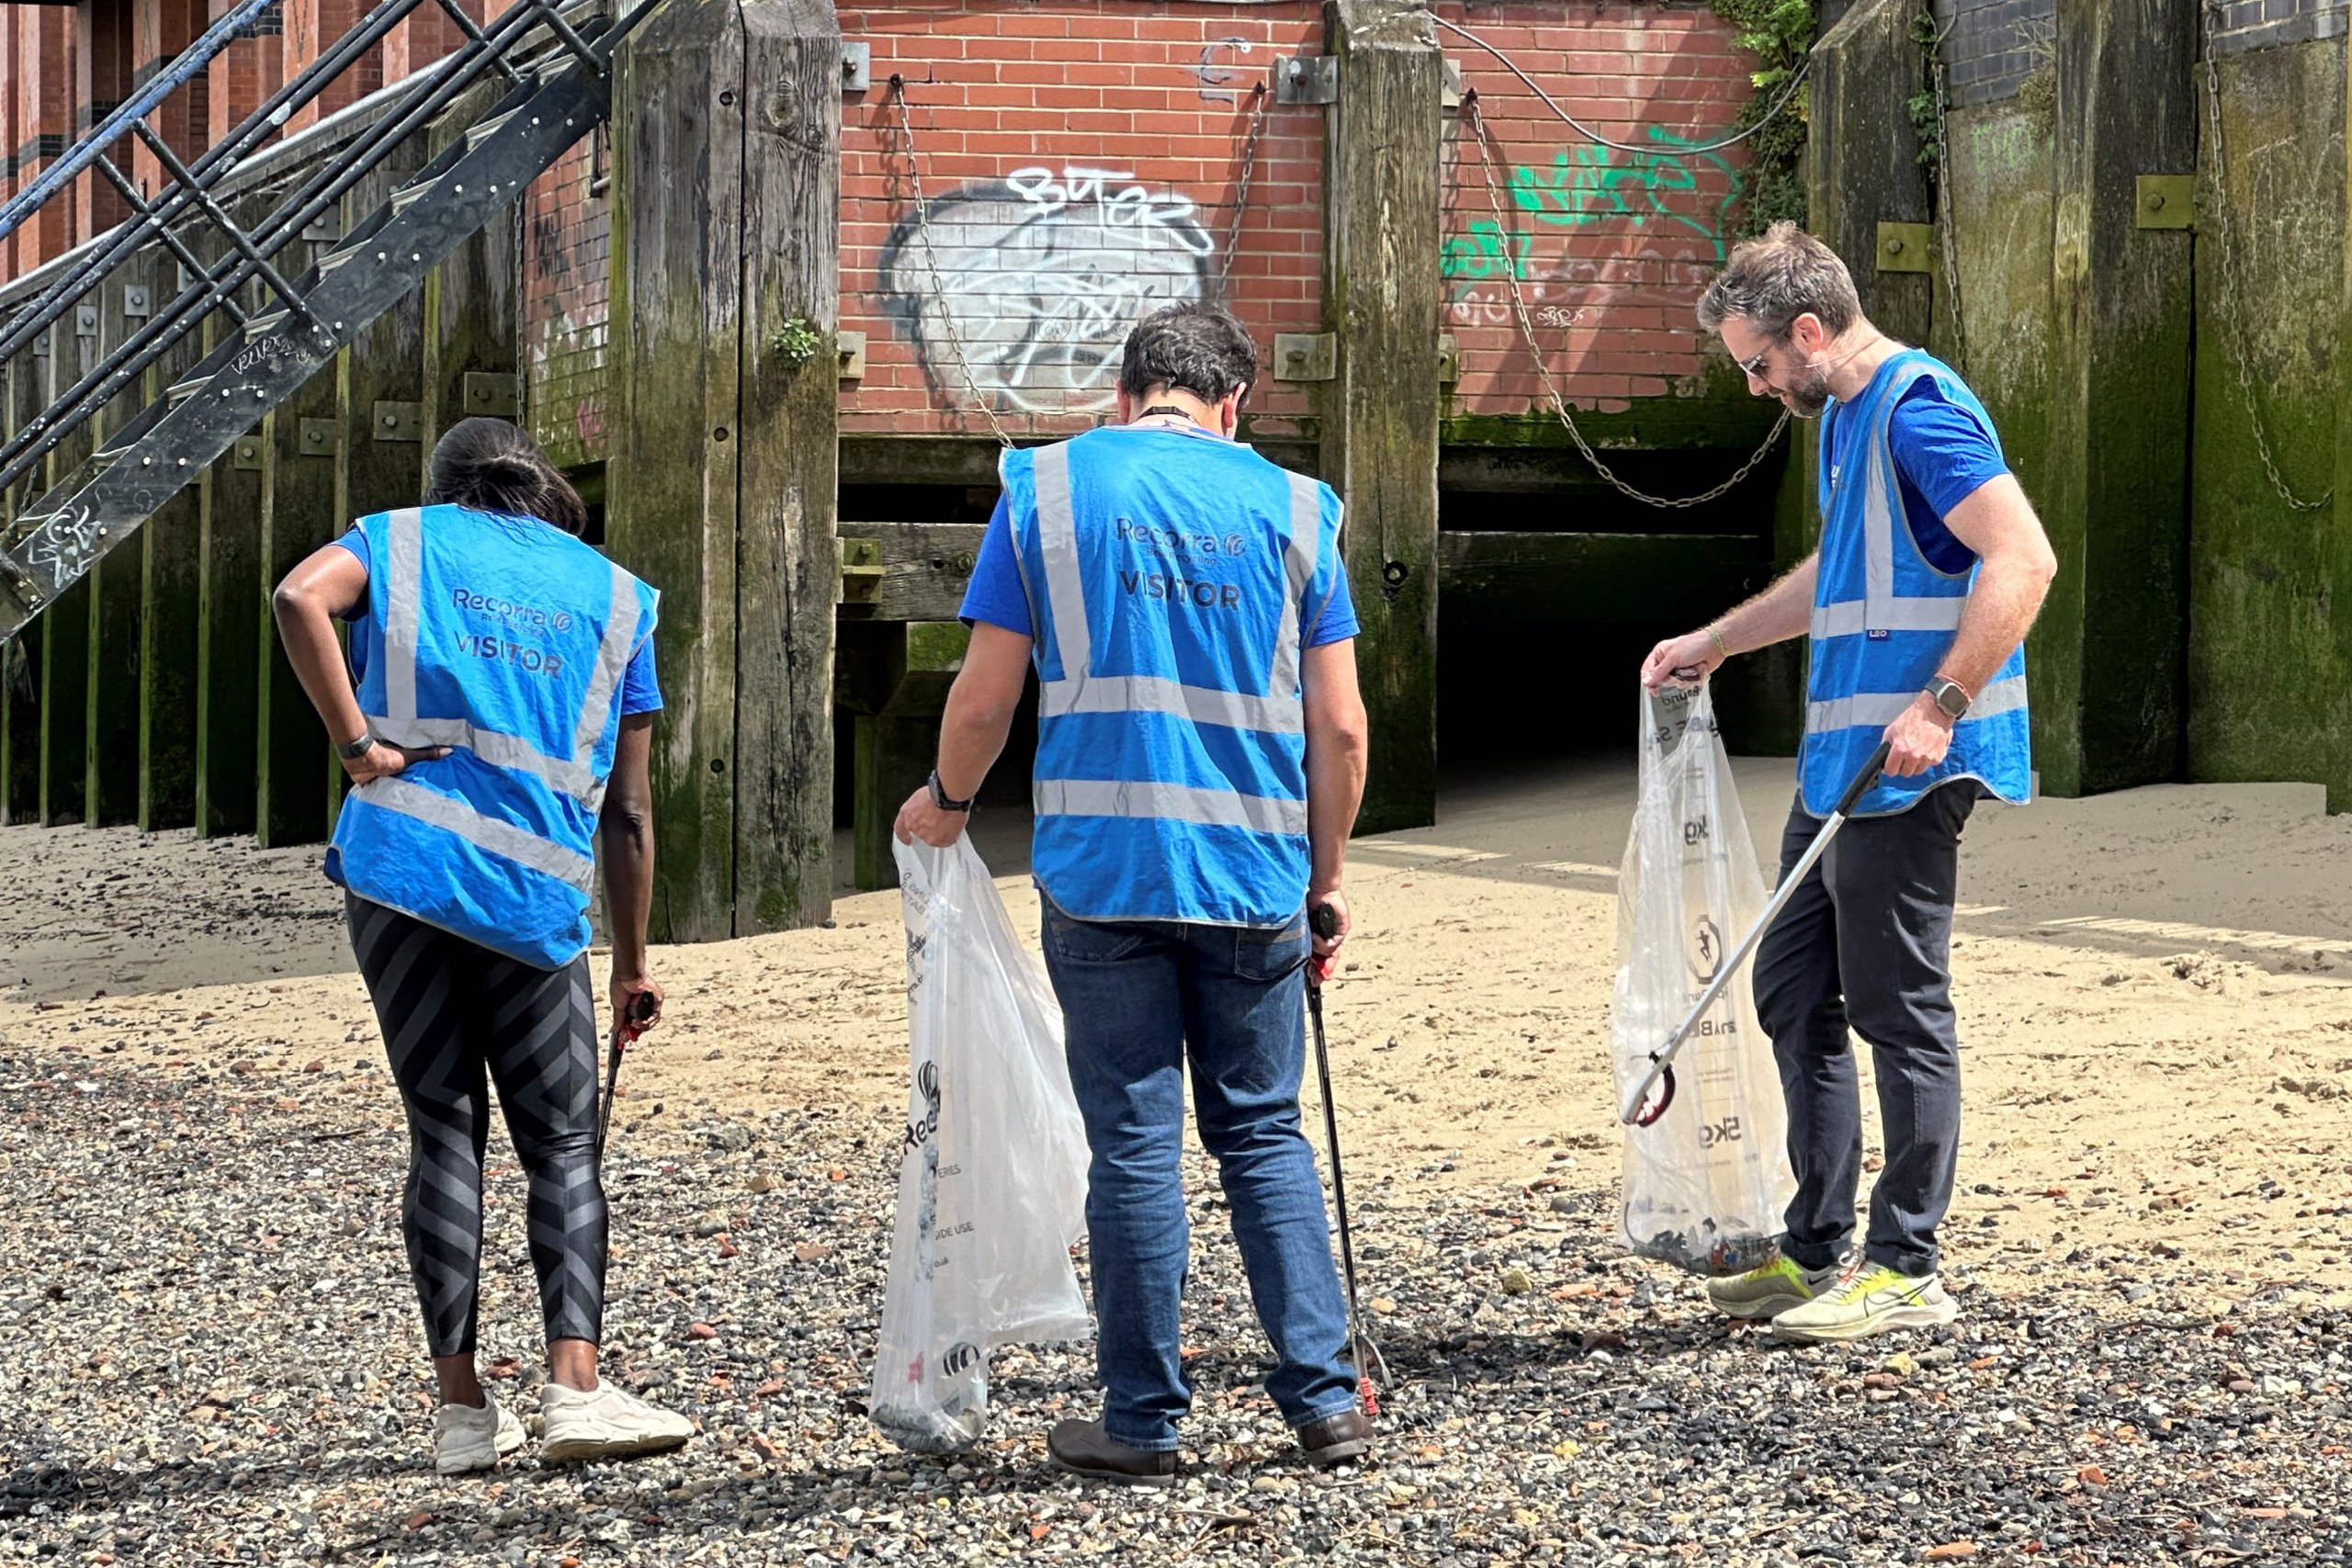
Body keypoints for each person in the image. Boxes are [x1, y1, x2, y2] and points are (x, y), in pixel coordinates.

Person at [894, 301, 1374, 1483]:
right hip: (1254, 872)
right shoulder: (1298, 509)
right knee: (1262, 1134)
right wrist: (1324, 880)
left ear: (1125, 394)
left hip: (1103, 876)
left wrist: (948, 802)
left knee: (1135, 1146)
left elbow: (983, 699)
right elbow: (1344, 730)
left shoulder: (1049, 491)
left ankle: (1144, 1419)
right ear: (1234, 404)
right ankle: (1322, 1400)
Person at [1642, 222, 2058, 1344]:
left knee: (1897, 1007)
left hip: (1911, 764)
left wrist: (1943, 704)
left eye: (1759, 362)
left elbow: (2022, 557)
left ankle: (1905, 1264)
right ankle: (1815, 1247)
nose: (1754, 383)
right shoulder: (1844, 420)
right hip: (1842, 766)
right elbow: (1840, 574)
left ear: (1810, 332)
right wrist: (1719, 641)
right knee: (1791, 992)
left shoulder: (1919, 409)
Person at [272, 417, 694, 1472]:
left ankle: (462, 1416)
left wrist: (358, 746)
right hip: (530, 899)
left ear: (445, 483)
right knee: (559, 1145)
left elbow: (295, 597)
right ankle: (575, 1392)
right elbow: (630, 813)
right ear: (537, 488)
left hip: (402, 876)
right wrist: (635, 960)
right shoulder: (616, 595)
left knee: (443, 1136)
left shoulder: (398, 540)